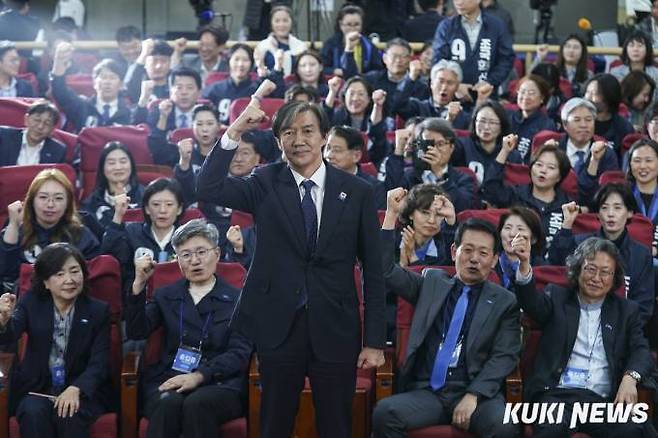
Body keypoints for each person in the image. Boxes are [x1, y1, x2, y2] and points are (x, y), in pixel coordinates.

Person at [197, 94, 386, 438]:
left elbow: (374, 269)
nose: (298, 140)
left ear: (325, 136)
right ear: (278, 140)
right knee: (275, 423)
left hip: (336, 326)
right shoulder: (264, 181)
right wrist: (236, 128)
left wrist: (373, 340)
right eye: (288, 132)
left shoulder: (358, 191)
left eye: (308, 131)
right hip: (278, 325)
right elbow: (207, 186)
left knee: (336, 425)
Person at [374, 193, 521, 438]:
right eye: (468, 250)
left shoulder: (504, 301)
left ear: (495, 259)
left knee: (504, 427)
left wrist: (473, 395)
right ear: (454, 251)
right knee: (385, 413)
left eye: (483, 253)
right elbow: (385, 271)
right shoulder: (431, 282)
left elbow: (504, 356)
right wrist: (390, 215)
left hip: (474, 392)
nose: (474, 259)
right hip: (428, 392)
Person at [513, 236, 654, 437]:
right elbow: (531, 303)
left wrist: (630, 378)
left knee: (636, 427)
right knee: (551, 427)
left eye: (605, 272)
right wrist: (525, 264)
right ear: (578, 269)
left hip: (600, 401)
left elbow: (641, 350)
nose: (597, 278)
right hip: (556, 396)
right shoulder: (557, 297)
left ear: (615, 278)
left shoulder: (626, 311)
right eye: (590, 269)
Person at [127, 219, 252, 438]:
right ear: (177, 261)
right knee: (167, 403)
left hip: (220, 383)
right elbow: (137, 332)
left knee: (198, 404)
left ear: (217, 253)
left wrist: (200, 376)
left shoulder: (237, 300)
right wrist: (139, 285)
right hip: (171, 376)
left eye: (201, 252)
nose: (195, 261)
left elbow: (239, 354)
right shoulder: (165, 295)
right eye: (185, 255)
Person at [0, 243, 112, 438]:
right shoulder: (31, 303)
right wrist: (3, 322)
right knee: (33, 412)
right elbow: (9, 337)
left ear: (84, 275)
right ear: (45, 282)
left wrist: (77, 388)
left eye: (74, 271)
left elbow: (99, 363)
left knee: (69, 413)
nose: (69, 280)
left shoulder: (98, 311)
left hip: (82, 391)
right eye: (59, 274)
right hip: (38, 389)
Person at [549, 183, 655, 326]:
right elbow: (555, 263)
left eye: (617, 208)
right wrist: (567, 223)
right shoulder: (581, 244)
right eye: (604, 208)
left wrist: (624, 331)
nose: (610, 214)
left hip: (623, 329)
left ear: (630, 212)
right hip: (579, 323)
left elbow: (643, 306)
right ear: (598, 214)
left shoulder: (641, 255)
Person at [0, 168, 100, 291]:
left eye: (58, 198)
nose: (50, 204)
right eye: (43, 197)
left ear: (68, 203)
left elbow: (91, 280)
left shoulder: (81, 234)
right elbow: (6, 275)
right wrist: (14, 225)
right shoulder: (16, 229)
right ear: (31, 201)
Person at [482, 141, 573, 251]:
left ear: (560, 176)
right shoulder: (516, 194)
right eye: (539, 165)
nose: (543, 170)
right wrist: (505, 151)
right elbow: (490, 188)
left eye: (551, 167)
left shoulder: (567, 206)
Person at [101, 177, 183, 294]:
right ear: (147, 209)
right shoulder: (132, 232)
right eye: (156, 204)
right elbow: (108, 259)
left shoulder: (187, 238)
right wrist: (118, 215)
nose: (163, 210)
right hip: (138, 300)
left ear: (179, 209)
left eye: (169, 204)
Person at [385, 118, 477, 213]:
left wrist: (440, 175)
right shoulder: (410, 175)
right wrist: (399, 151)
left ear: (451, 147)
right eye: (428, 144)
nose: (433, 149)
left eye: (440, 144)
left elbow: (462, 208)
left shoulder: (464, 178)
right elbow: (392, 200)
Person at [431, 0, 514, 93]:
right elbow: (438, 60)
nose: (459, 2)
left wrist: (490, 82)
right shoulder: (446, 26)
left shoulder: (496, 26)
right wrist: (456, 86)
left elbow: (506, 59)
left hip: (486, 94)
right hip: (452, 96)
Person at [51, 44, 131, 132]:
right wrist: (59, 61)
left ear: (120, 84)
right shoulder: (82, 106)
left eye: (112, 77)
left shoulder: (129, 112)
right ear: (94, 83)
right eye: (103, 77)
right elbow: (60, 91)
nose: (107, 82)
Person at [344, 38, 430, 120]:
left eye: (403, 56)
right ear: (384, 58)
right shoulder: (372, 79)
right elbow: (352, 82)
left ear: (410, 59)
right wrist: (349, 51)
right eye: (394, 56)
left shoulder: (420, 85)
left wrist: (410, 80)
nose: (398, 60)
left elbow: (398, 108)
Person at [202, 43, 284, 127]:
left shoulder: (258, 89)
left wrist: (278, 67)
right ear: (229, 61)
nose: (240, 64)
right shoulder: (214, 89)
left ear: (251, 64)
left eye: (245, 60)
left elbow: (279, 97)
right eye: (236, 59)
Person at [557, 98, 619, 199]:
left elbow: (609, 193)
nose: (583, 125)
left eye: (589, 120)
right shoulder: (554, 150)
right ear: (565, 125)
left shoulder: (606, 153)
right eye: (577, 120)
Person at [452, 100, 521, 184]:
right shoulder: (462, 145)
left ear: (502, 126)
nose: (486, 127)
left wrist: (504, 152)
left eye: (492, 123)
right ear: (474, 122)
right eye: (482, 121)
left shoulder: (512, 155)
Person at [391, 60, 473, 131]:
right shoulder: (417, 107)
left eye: (450, 83)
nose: (444, 87)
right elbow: (396, 105)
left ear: (457, 87)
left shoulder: (463, 116)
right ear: (431, 83)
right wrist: (411, 78)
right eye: (441, 81)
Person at [80, 142, 144, 228]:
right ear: (102, 168)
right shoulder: (91, 204)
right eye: (111, 163)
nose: (118, 167)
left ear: (131, 165)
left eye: (123, 161)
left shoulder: (146, 197)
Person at [324, 125, 386, 209]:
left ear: (356, 156)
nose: (328, 155)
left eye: (337, 150)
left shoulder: (373, 188)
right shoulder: (316, 181)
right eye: (327, 148)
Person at [395, 183, 456, 267]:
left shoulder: (446, 251)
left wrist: (413, 258)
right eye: (425, 212)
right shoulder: (391, 240)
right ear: (411, 213)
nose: (432, 221)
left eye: (438, 214)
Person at [133, 67, 202, 137]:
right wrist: (163, 117)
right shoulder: (159, 111)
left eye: (189, 88)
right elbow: (142, 135)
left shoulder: (207, 114)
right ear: (170, 92)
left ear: (199, 93)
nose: (184, 92)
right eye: (179, 87)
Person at [320, 3, 383, 77]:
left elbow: (378, 70)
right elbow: (322, 67)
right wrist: (335, 71)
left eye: (356, 24)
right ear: (341, 25)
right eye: (349, 24)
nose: (353, 29)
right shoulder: (331, 44)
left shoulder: (369, 46)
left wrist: (364, 77)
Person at [0, 101, 66, 166]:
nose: (40, 126)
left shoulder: (57, 150)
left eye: (47, 123)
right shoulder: (3, 137)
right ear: (26, 119)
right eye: (37, 120)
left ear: (52, 129)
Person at [508, 74, 556, 162]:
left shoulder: (547, 125)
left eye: (531, 93)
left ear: (542, 98)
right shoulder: (508, 116)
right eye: (522, 92)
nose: (526, 97)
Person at [584, 73, 635, 154]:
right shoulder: (579, 123)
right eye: (587, 92)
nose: (588, 98)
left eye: (595, 93)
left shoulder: (624, 127)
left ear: (609, 96)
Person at [496, 206, 545, 291]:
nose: (512, 234)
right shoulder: (491, 262)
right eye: (507, 228)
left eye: (520, 229)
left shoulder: (542, 268)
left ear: (533, 239)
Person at [626, 138, 658, 260]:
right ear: (630, 164)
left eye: (649, 160)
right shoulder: (622, 195)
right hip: (629, 258)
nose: (643, 166)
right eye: (637, 161)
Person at [255, 5, 306, 76]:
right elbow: (256, 71)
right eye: (277, 21)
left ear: (291, 22)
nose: (281, 24)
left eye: (285, 20)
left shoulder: (300, 46)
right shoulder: (263, 46)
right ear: (271, 24)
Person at [610, 30, 658, 101]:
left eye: (640, 46)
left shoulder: (655, 73)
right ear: (626, 49)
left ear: (647, 49)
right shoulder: (615, 72)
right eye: (631, 45)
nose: (635, 49)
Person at [125, 39, 173, 105]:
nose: (158, 66)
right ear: (145, 64)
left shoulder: (174, 87)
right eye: (154, 61)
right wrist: (144, 54)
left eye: (163, 61)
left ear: (170, 63)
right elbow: (128, 85)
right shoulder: (138, 85)